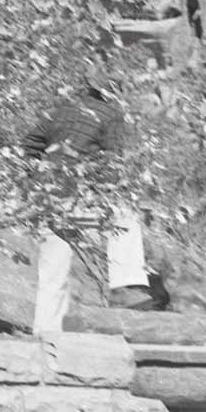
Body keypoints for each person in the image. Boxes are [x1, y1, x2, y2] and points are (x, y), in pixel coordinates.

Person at [23, 66, 154, 334]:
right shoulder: (111, 115)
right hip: (82, 197)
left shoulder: (59, 110)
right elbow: (115, 160)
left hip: (49, 197)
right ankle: (126, 284)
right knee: (125, 212)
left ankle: (45, 335)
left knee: (53, 272)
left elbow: (28, 145)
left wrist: (36, 174)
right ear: (113, 92)